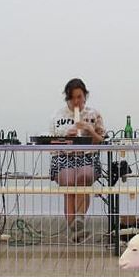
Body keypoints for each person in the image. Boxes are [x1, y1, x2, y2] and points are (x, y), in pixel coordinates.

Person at [48, 78, 106, 242]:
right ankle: (75, 228)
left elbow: (102, 141)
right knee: (68, 182)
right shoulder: (57, 116)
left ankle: (79, 219)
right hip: (63, 157)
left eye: (79, 97)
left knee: (83, 177)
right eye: (72, 98)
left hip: (87, 156)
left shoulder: (94, 114)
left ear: (85, 96)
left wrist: (90, 130)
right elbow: (50, 142)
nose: (76, 101)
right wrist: (66, 137)